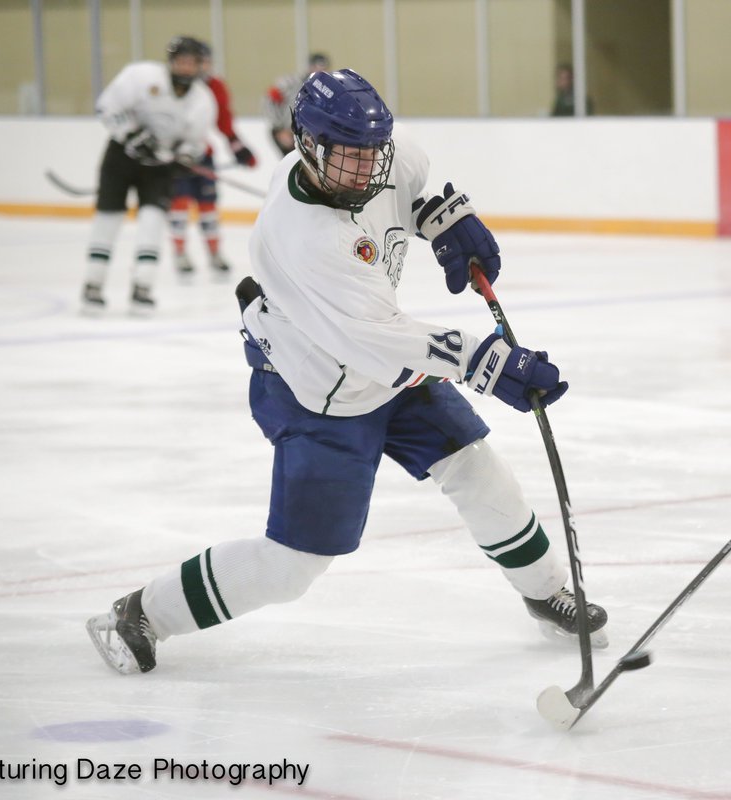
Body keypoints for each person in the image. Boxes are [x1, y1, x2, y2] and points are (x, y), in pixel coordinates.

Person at [86, 68, 608, 675]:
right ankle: (144, 612)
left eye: (372, 153)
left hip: (390, 370)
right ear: (304, 144)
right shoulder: (303, 235)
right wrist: (490, 363)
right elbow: (378, 341)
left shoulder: (376, 149)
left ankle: (545, 592)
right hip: (318, 391)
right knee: (291, 566)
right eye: (347, 157)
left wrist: (447, 217)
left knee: (477, 468)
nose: (366, 170)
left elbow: (417, 178)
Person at [81, 36, 217, 313]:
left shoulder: (203, 99)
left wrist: (185, 157)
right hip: (121, 157)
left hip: (159, 167)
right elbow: (106, 107)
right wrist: (132, 134)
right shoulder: (140, 76)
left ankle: (143, 286)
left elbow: (196, 141)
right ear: (171, 61)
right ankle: (93, 283)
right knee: (108, 217)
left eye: (192, 63)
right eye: (181, 61)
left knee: (153, 220)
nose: (186, 68)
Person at [168, 39, 257, 280]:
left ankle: (214, 253)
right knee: (179, 206)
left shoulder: (213, 86)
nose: (202, 66)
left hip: (202, 155)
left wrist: (238, 147)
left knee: (208, 208)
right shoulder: (170, 85)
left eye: (204, 61)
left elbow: (224, 121)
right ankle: (180, 253)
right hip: (175, 158)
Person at [264, 53, 329, 156]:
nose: (320, 70)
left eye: (323, 67)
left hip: (309, 137)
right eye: (317, 66)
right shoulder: (291, 83)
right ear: (310, 66)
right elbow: (270, 100)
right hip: (287, 133)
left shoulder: (326, 89)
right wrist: (279, 128)